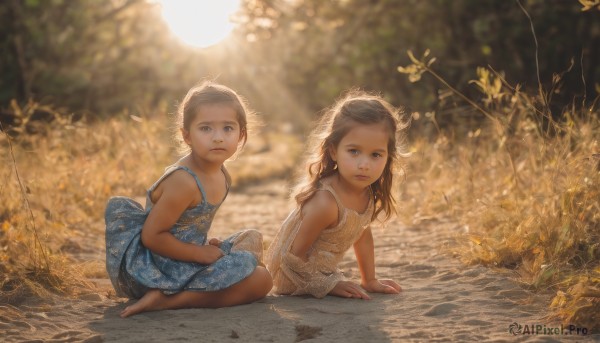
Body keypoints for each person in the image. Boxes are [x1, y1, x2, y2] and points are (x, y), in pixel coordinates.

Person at [105, 81, 272, 318]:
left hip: (185, 258)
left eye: (228, 128)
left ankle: (177, 296)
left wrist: (204, 246)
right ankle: (167, 300)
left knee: (255, 255)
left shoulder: (222, 174)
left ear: (241, 134)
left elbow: (190, 226)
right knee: (261, 280)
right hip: (158, 269)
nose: (218, 138)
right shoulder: (184, 181)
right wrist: (198, 253)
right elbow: (152, 236)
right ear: (187, 136)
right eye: (205, 129)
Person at [265, 90, 407, 299]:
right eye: (354, 151)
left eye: (375, 154)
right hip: (293, 275)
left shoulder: (365, 192)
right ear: (333, 151)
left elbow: (361, 233)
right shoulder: (326, 202)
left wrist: (370, 280)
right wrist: (327, 285)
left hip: (321, 271)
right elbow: (293, 257)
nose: (364, 165)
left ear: (388, 157)